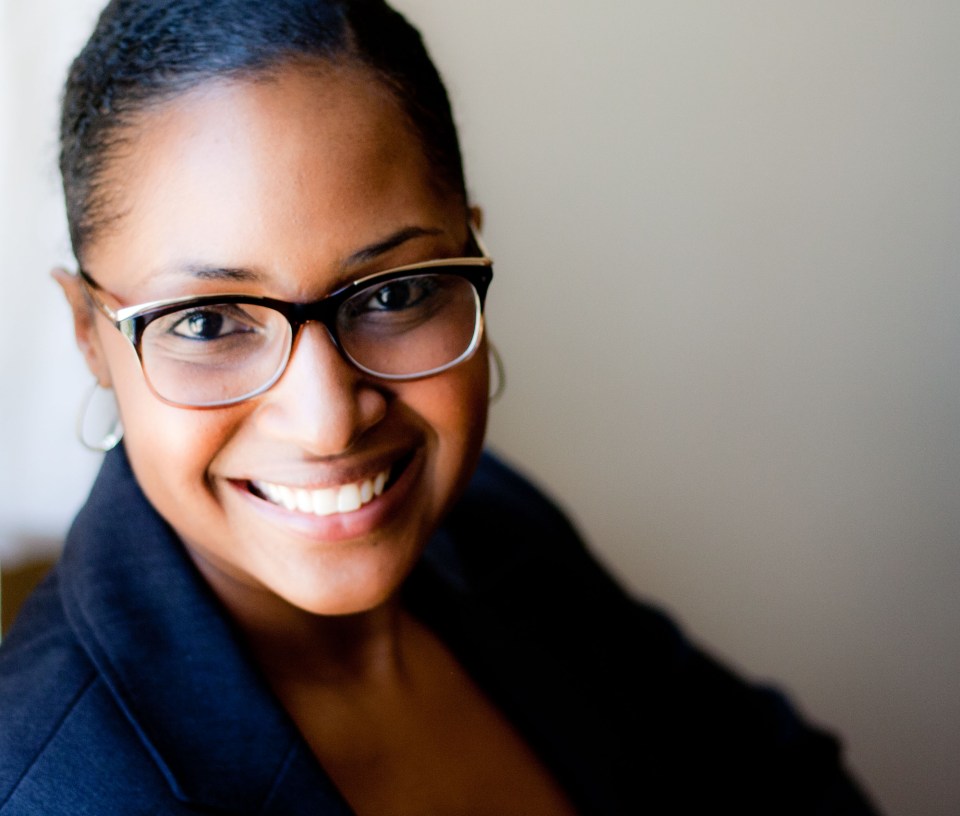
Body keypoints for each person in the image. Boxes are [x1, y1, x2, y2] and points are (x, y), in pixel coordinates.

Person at [0, 1, 881, 813]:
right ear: (89, 334)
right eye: (207, 322)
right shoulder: (57, 787)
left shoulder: (495, 528)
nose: (328, 422)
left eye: (395, 293)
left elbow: (786, 780)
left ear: (472, 259)